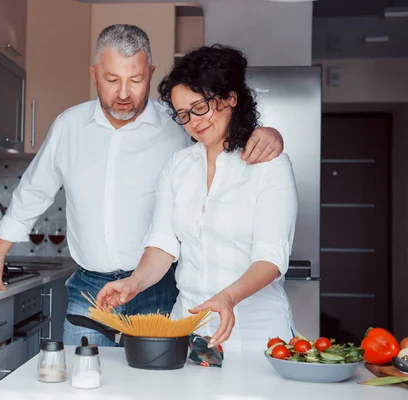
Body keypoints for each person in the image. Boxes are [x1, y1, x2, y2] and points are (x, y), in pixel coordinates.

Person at [0, 25, 285, 347]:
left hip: (161, 289)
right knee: (83, 382)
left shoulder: (178, 125)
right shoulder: (69, 126)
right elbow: (33, 191)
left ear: (151, 73)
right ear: (94, 74)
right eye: (112, 80)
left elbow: (224, 135)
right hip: (90, 288)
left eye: (136, 80)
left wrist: (268, 133)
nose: (124, 93)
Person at [96, 44, 299, 352]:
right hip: (189, 328)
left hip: (258, 333)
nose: (194, 122)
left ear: (231, 97)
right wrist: (132, 284)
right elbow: (162, 245)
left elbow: (270, 258)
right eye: (183, 114)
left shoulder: (269, 165)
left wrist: (227, 297)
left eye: (200, 106)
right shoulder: (177, 168)